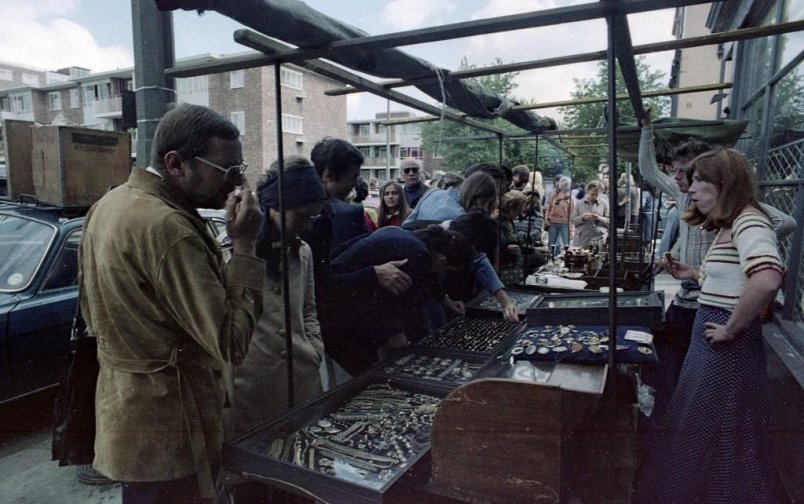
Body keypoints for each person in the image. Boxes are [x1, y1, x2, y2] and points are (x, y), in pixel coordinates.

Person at [79, 104, 266, 503]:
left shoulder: (109, 204)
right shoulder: (169, 227)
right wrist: (246, 245)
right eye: (228, 171)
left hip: (128, 418)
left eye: (240, 169)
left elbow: (91, 315)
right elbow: (231, 344)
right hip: (175, 430)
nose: (238, 183)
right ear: (176, 163)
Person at [633, 148, 787, 503]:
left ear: (725, 183)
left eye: (700, 181)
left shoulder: (749, 221)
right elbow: (730, 279)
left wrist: (731, 329)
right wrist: (692, 273)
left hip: (724, 344)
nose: (691, 189)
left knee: (712, 428)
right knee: (712, 427)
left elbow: (766, 279)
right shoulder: (732, 224)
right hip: (713, 339)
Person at [637, 110, 795, 427]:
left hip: (716, 311)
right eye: (682, 174)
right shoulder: (689, 201)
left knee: (707, 397)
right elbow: (649, 171)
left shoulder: (743, 219)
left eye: (692, 175)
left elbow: (780, 238)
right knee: (674, 369)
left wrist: (741, 245)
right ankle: (667, 425)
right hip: (695, 293)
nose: (683, 181)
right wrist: (647, 129)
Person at [220, 156, 326, 503]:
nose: (308, 224)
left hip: (301, 385)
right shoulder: (231, 255)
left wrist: (313, 348)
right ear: (274, 206)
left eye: (314, 216)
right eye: (302, 215)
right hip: (250, 393)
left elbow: (309, 308)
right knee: (251, 486)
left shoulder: (304, 252)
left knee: (299, 483)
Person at [325, 225, 472, 374]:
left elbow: (428, 278)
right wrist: (395, 333)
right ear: (442, 261)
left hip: (348, 293)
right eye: (448, 271)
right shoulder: (416, 253)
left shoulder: (421, 242)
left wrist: (445, 299)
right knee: (368, 371)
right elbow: (388, 301)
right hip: (338, 307)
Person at [404, 172, 519, 322]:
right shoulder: (454, 217)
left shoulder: (437, 198)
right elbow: (477, 260)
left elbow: (477, 258)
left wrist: (506, 301)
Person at [571, 180, 609, 248]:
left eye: (597, 195)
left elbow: (609, 221)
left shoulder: (604, 204)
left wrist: (599, 218)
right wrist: (582, 218)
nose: (594, 196)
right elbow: (573, 220)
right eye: (592, 194)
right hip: (582, 238)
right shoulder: (579, 203)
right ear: (588, 191)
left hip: (598, 238)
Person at [544, 175, 573, 256]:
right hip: (553, 222)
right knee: (551, 244)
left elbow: (572, 214)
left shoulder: (571, 198)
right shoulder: (553, 195)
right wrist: (546, 219)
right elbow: (548, 208)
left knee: (564, 244)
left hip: (565, 223)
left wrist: (571, 229)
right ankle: (550, 259)